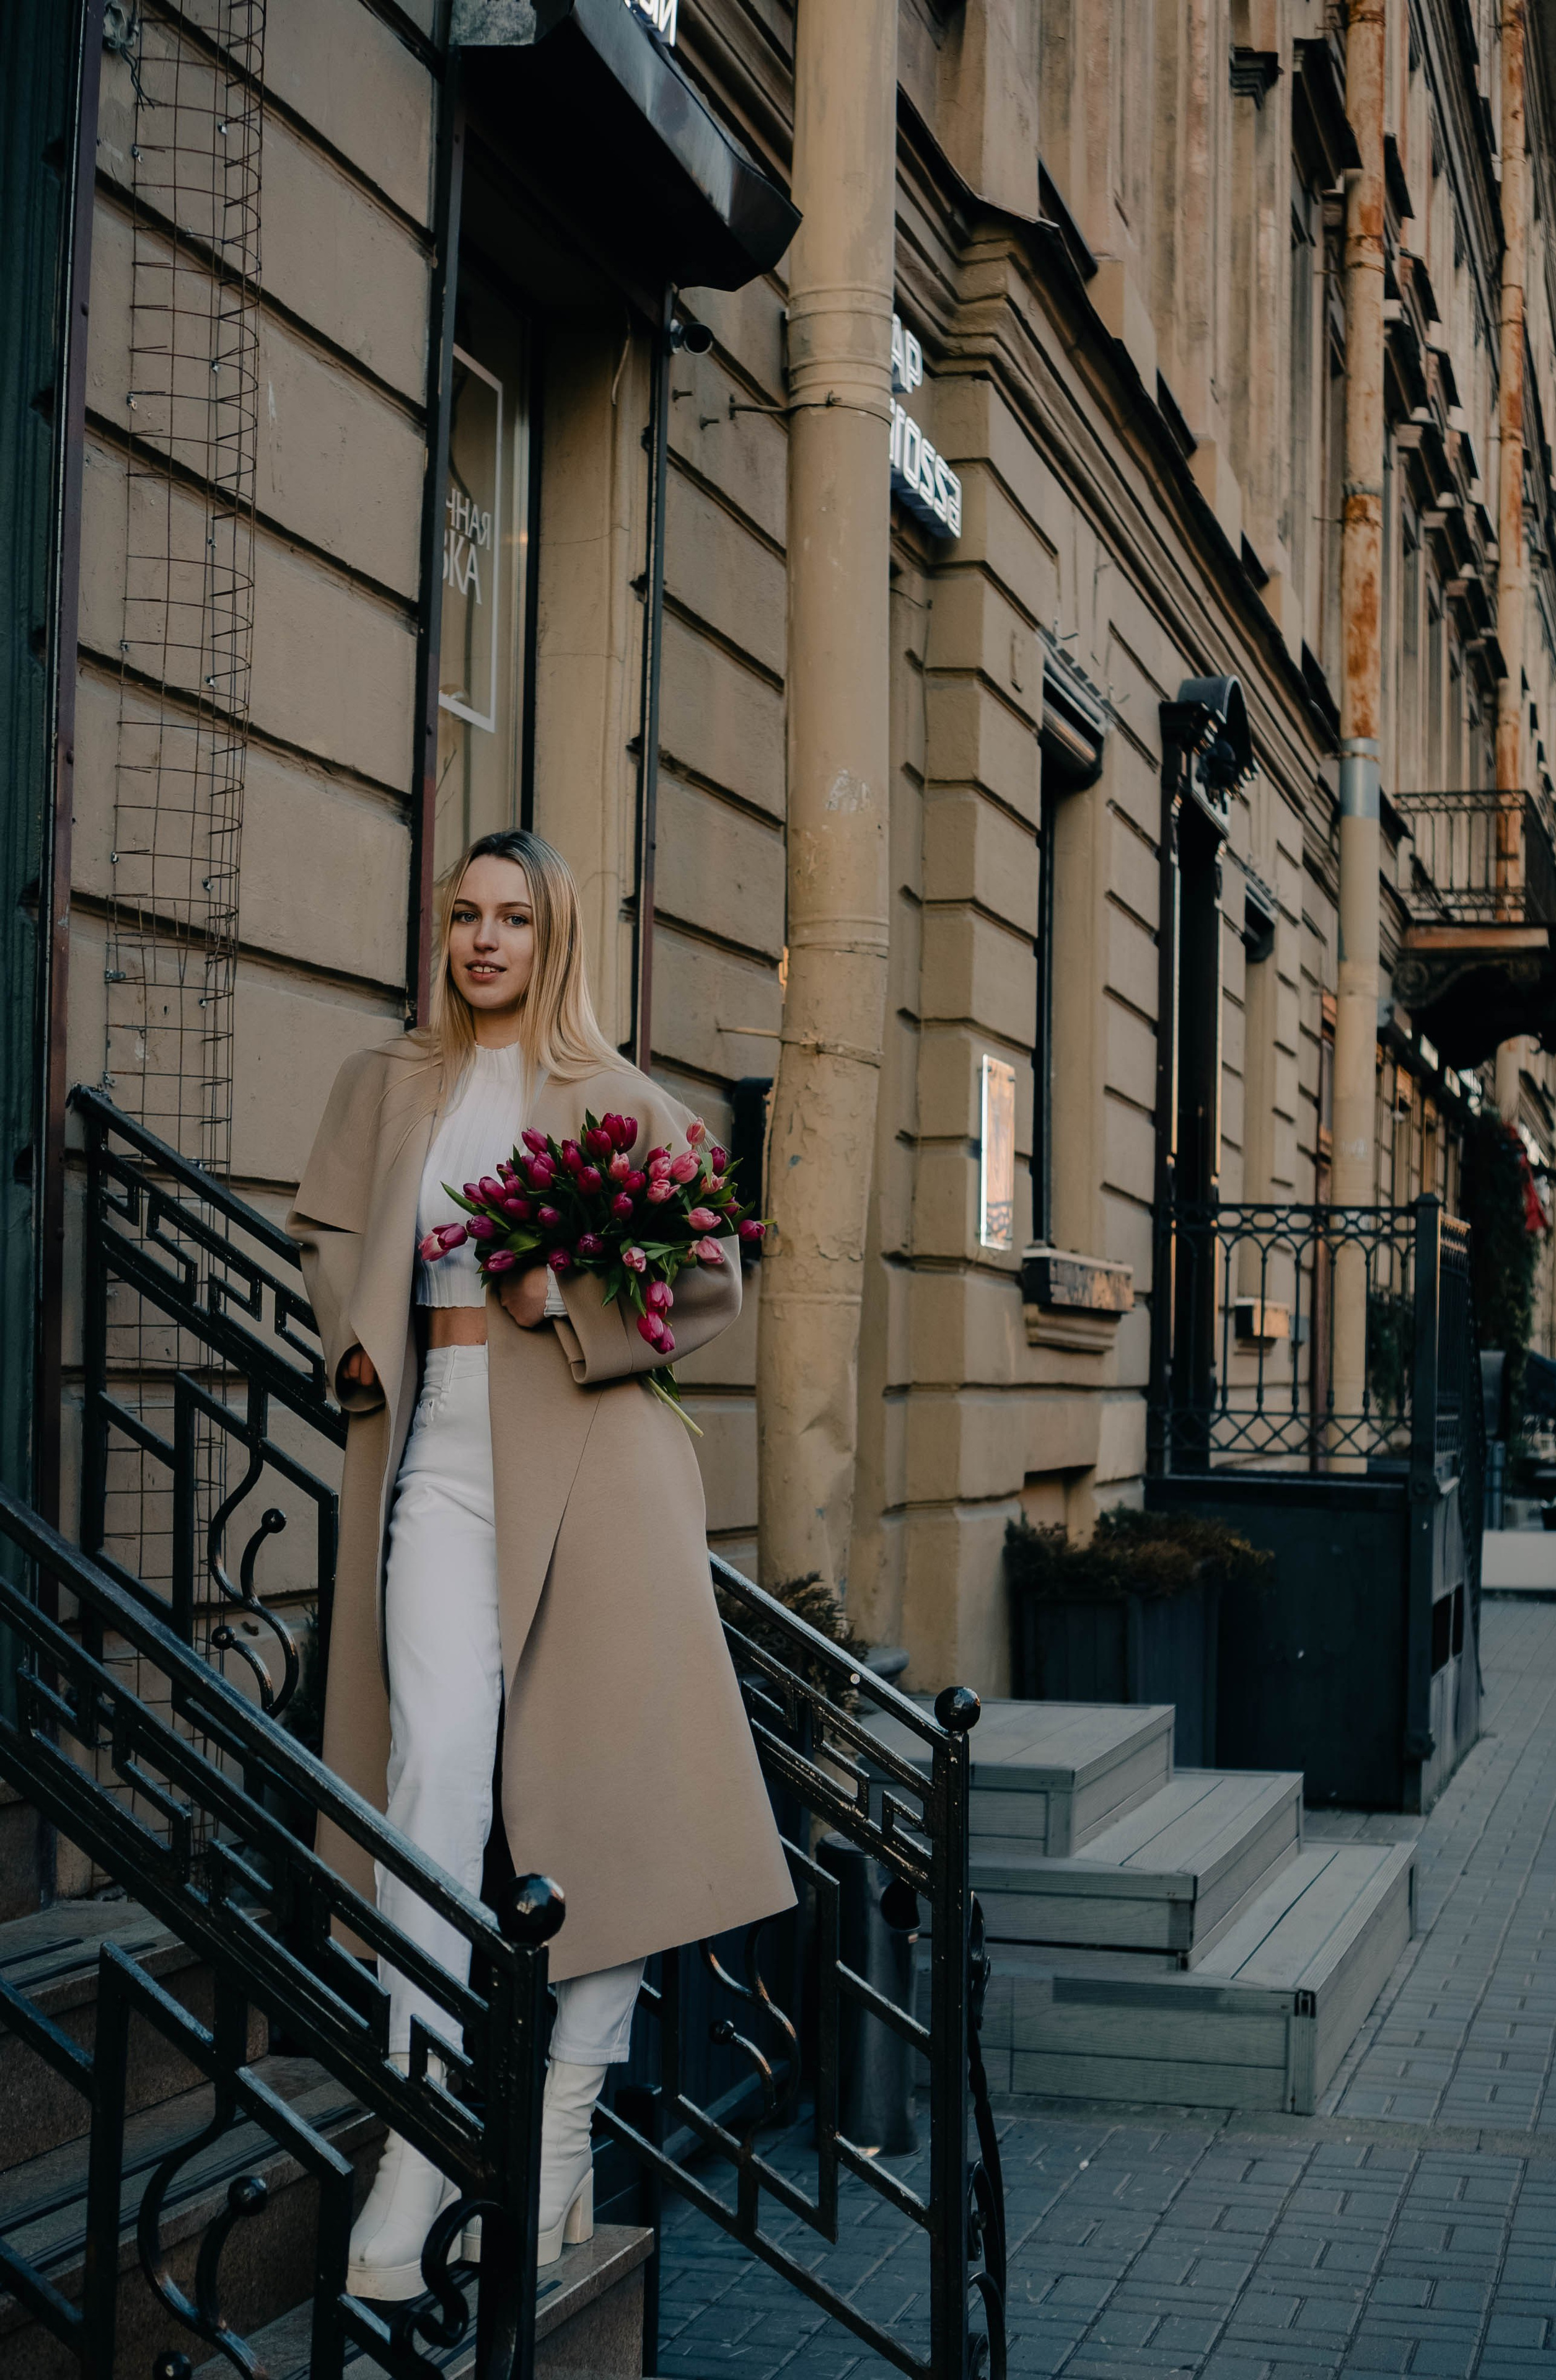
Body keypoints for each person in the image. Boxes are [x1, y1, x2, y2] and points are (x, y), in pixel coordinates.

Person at [288, 828, 794, 2299]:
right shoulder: (384, 1084)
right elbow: (326, 1232)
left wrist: (558, 1295)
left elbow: (706, 1281)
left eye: (513, 917)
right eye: (464, 915)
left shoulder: (623, 1100)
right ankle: (424, 2130)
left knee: (596, 1800)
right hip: (429, 1452)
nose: (485, 939)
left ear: (554, 935)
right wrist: (361, 1340)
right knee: (433, 1769)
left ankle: (564, 2130)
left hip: (593, 1468)